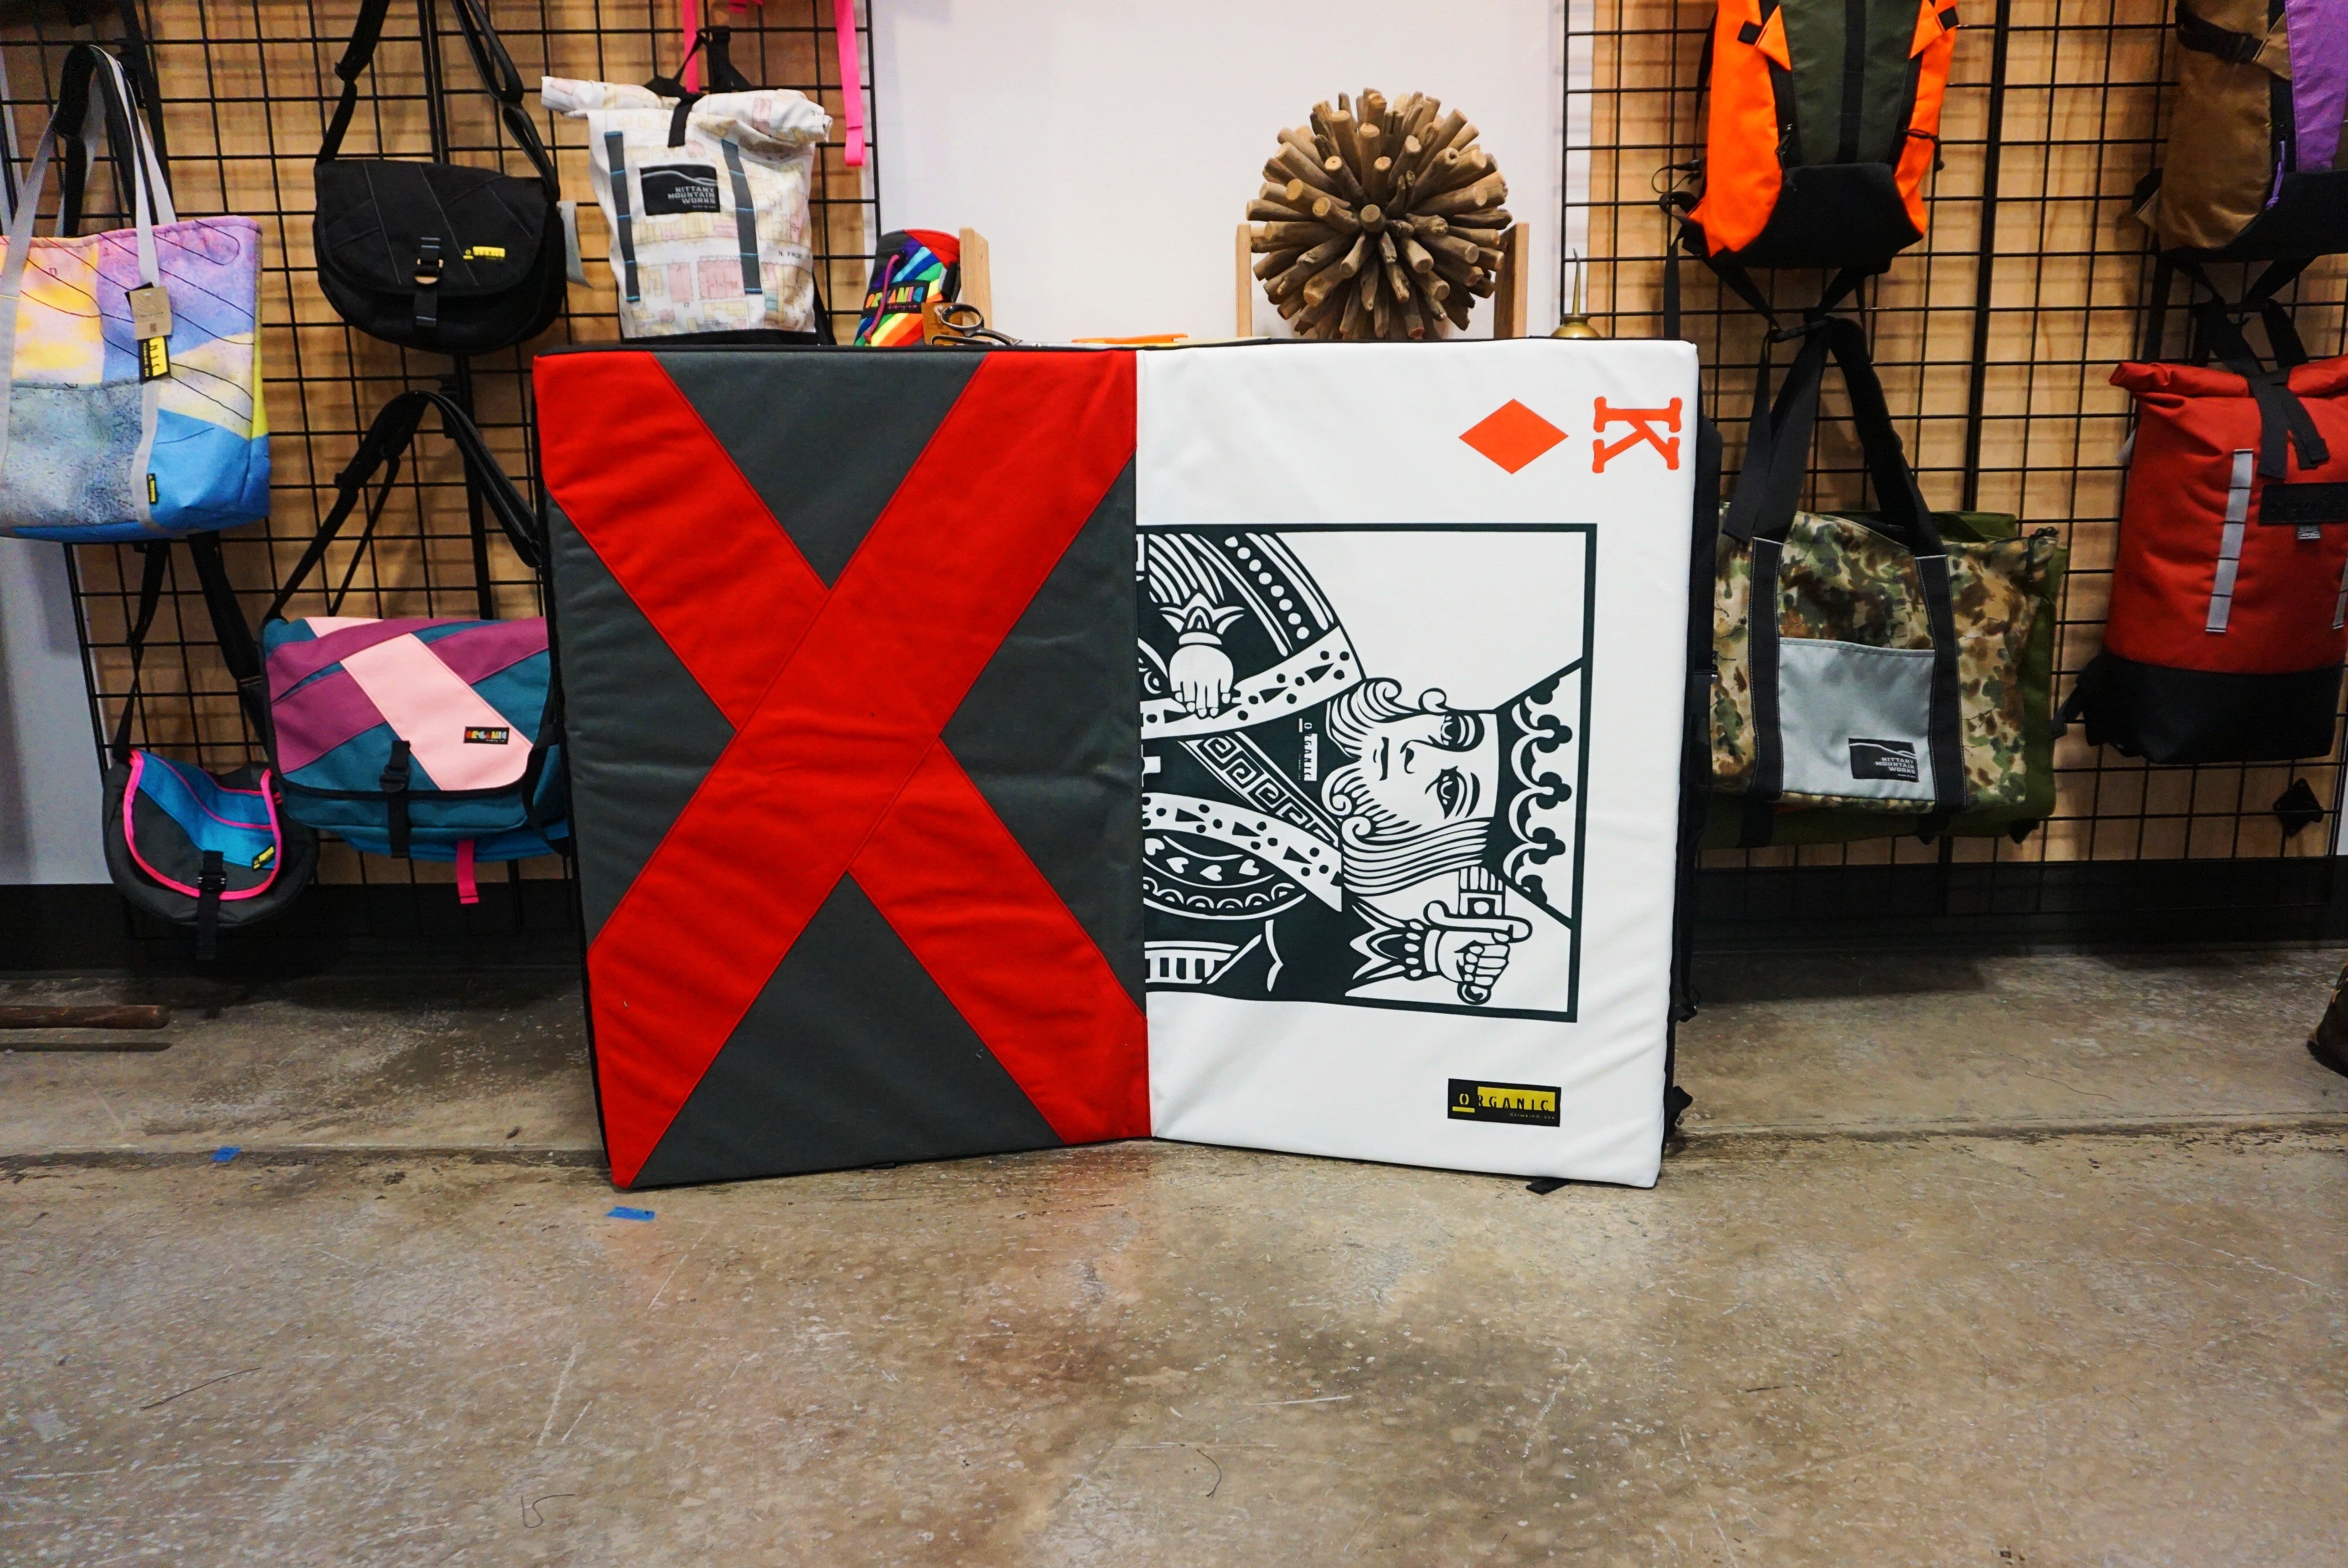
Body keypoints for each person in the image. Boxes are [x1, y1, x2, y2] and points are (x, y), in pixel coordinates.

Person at [1139, 530, 1575, 1009]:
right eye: (1454, 733)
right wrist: (1198, 631)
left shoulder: (1308, 890)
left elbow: (1220, 993)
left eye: (1450, 789)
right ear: (1440, 706)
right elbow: (1171, 535)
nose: (1420, 755)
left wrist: (1431, 950)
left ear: (1433, 843)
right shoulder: (1305, 643)